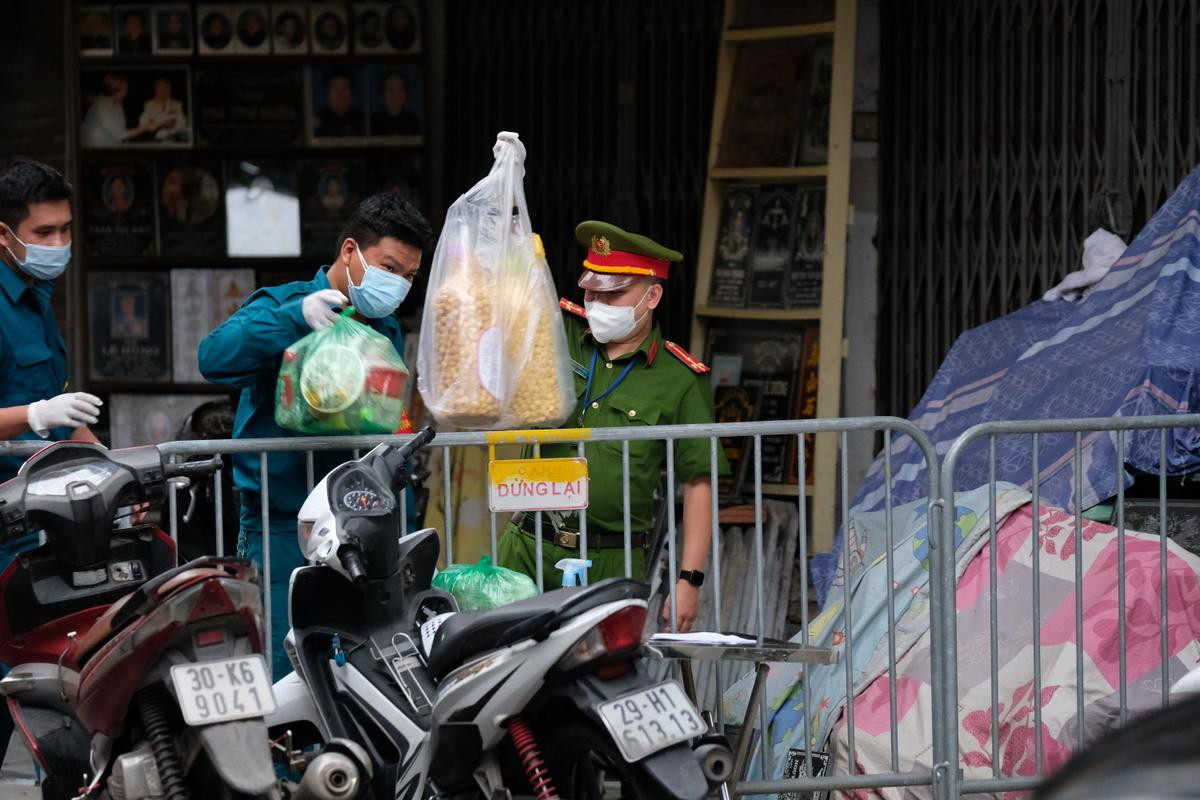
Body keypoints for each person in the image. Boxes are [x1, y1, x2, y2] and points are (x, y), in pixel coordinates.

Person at [198, 193, 431, 678]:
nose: (399, 285)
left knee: (366, 668)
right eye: (390, 268)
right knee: (291, 669)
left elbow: (388, 420)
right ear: (350, 251)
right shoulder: (283, 305)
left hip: (366, 529)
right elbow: (214, 359)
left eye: (409, 276)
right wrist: (295, 318)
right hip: (286, 527)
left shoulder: (384, 329)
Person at [497, 221, 729, 632]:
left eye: (613, 293)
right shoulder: (559, 332)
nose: (597, 302)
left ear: (652, 295)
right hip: (527, 545)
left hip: (610, 560)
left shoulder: (681, 379)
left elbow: (698, 482)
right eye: (591, 291)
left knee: (594, 683)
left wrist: (690, 579)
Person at [0, 157, 102, 770]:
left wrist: (115, 463)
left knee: (59, 714)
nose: (59, 245)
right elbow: (44, 408)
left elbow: (64, 410)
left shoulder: (37, 300)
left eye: (66, 230)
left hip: (41, 534)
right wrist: (32, 415)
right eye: (44, 233)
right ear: (5, 234)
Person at [80, 73, 159, 148]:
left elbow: (122, 134)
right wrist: (145, 127)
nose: (127, 92)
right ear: (116, 90)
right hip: (95, 152)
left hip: (111, 148)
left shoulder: (117, 103)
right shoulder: (103, 106)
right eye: (125, 89)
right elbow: (122, 135)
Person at [314, 68, 365, 138]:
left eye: (345, 89)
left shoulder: (363, 121)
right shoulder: (316, 122)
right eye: (335, 89)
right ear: (327, 94)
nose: (341, 94)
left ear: (352, 93)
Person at [370, 71, 420, 136]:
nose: (395, 95)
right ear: (382, 94)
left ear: (406, 94)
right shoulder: (371, 123)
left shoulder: (416, 123)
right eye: (390, 89)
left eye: (400, 89)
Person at [138, 77, 188, 142]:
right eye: (159, 89)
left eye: (165, 89)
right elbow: (143, 123)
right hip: (155, 138)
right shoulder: (149, 104)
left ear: (169, 90)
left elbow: (182, 122)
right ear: (155, 90)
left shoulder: (177, 104)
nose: (162, 92)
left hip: (174, 137)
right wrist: (161, 125)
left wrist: (171, 125)